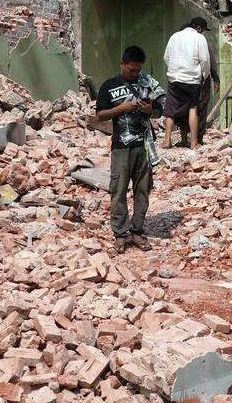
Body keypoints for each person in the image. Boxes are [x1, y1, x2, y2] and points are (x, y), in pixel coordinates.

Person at [91, 46, 166, 249]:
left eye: (137, 71)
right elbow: (100, 115)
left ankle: (137, 231)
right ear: (122, 64)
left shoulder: (147, 83)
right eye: (131, 70)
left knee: (143, 190)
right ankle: (121, 233)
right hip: (121, 147)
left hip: (144, 147)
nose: (135, 74)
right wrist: (121, 108)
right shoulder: (109, 86)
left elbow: (161, 109)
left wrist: (150, 109)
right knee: (119, 190)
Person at [163, 17, 213, 148]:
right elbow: (205, 60)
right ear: (199, 28)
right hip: (192, 81)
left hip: (174, 79)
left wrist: (174, 70)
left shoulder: (174, 36)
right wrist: (204, 76)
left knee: (170, 111)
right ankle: (193, 142)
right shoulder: (199, 38)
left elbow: (166, 57)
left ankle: (167, 141)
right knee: (193, 109)